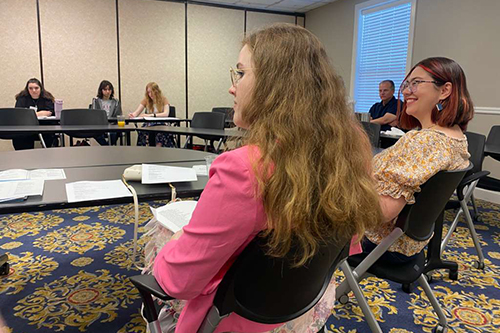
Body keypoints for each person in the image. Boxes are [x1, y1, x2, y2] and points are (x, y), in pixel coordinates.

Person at [152, 23, 382, 333]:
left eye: (241, 73)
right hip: (305, 311)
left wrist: (177, 241)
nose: (232, 87)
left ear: (274, 86)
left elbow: (176, 281)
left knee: (161, 236)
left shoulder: (243, 169)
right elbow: (348, 245)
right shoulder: (350, 152)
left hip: (231, 321)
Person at [363, 57, 474, 263]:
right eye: (406, 84)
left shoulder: (424, 142)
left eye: (416, 83)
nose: (406, 91)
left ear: (444, 90)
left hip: (380, 243)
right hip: (411, 243)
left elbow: (382, 212)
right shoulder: (455, 136)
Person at [13, 78, 57, 150]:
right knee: (20, 136)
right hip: (27, 128)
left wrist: (29, 114)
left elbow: (50, 112)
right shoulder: (22, 98)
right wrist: (38, 114)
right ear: (27, 89)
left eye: (36, 88)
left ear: (41, 88)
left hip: (44, 127)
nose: (34, 91)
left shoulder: (47, 97)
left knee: (49, 134)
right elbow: (19, 113)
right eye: (31, 88)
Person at [128, 82, 174, 147]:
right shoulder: (146, 100)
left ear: (156, 91)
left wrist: (152, 115)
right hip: (149, 123)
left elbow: (166, 113)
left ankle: (158, 150)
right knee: (142, 132)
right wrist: (132, 115)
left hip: (161, 123)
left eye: (152, 92)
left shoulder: (163, 99)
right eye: (148, 92)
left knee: (160, 134)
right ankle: (145, 150)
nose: (150, 94)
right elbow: (136, 113)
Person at [91, 80, 122, 145]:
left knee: (114, 133)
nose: (108, 92)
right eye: (105, 89)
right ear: (101, 90)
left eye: (109, 89)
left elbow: (119, 115)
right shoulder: (96, 101)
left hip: (112, 124)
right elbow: (93, 115)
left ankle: (107, 147)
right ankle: (107, 146)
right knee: (95, 133)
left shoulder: (115, 101)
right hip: (100, 125)